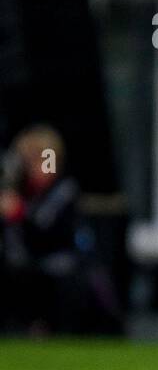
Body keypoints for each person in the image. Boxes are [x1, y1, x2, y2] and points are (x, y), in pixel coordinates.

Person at [0, 124, 121, 335]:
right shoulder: (19, 192)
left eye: (40, 159)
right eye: (28, 160)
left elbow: (45, 233)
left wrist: (18, 213)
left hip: (64, 273)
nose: (33, 167)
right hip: (25, 270)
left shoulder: (64, 190)